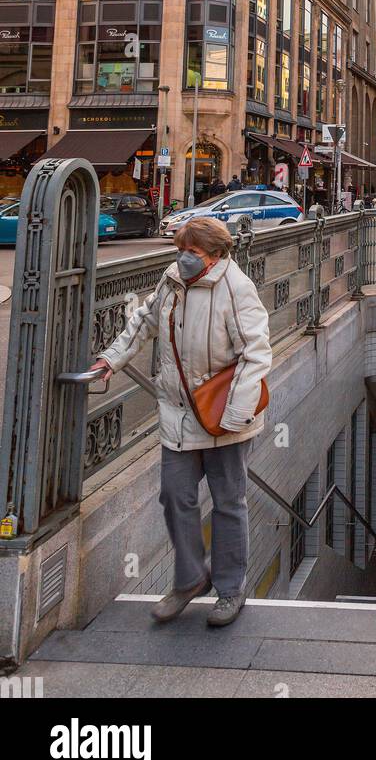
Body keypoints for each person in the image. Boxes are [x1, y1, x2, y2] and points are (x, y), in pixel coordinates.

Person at [91, 217, 271, 629]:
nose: (184, 257)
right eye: (182, 249)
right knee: (175, 496)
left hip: (226, 415)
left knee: (228, 504)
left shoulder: (237, 289)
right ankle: (190, 579)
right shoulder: (172, 278)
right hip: (178, 412)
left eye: (194, 252)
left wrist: (234, 414)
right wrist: (110, 359)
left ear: (216, 255)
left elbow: (257, 354)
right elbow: (144, 322)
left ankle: (230, 590)